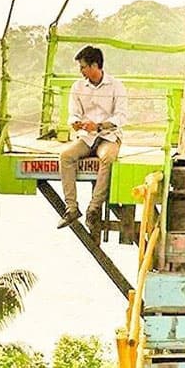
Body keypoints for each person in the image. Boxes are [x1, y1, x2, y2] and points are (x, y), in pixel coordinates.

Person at [57, 45, 127, 239]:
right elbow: (73, 114)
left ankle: (93, 208)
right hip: (86, 137)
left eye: (83, 67)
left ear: (95, 65)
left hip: (108, 136)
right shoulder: (77, 87)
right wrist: (75, 123)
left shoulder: (116, 86)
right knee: (65, 156)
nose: (81, 71)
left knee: (108, 159)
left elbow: (121, 117)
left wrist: (99, 126)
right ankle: (71, 208)